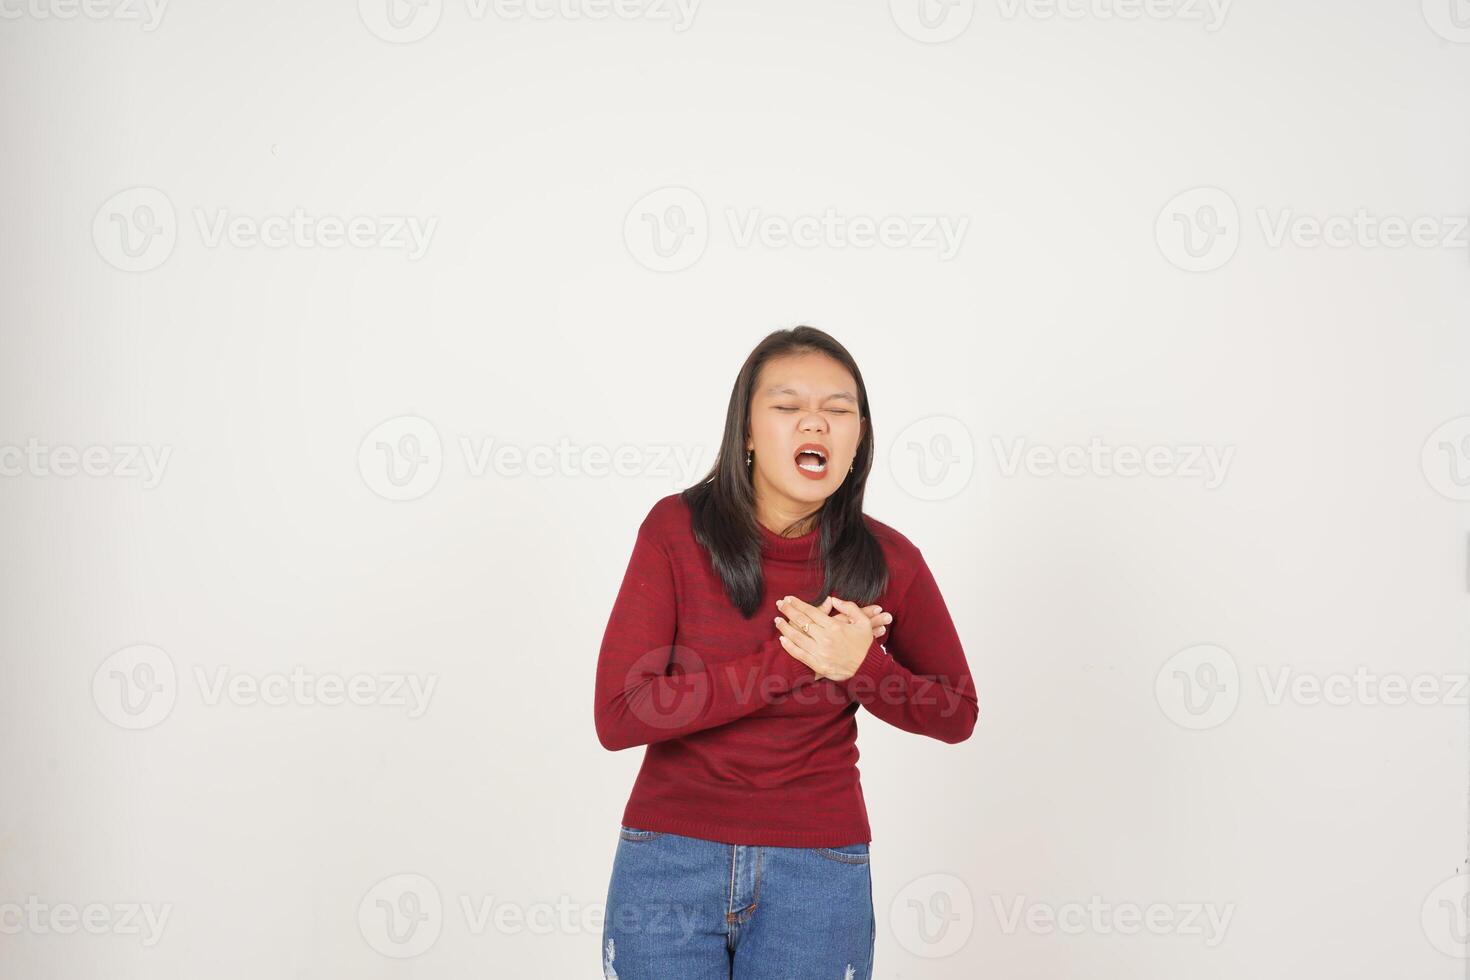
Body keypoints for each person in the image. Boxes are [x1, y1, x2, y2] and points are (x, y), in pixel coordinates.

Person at [594, 325, 979, 979]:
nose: (817, 423)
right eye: (788, 406)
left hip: (818, 869)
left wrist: (864, 666)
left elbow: (955, 712)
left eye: (839, 410)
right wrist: (793, 660)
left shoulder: (891, 561)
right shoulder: (674, 532)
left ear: (860, 440)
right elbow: (621, 714)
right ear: (745, 431)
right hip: (669, 860)